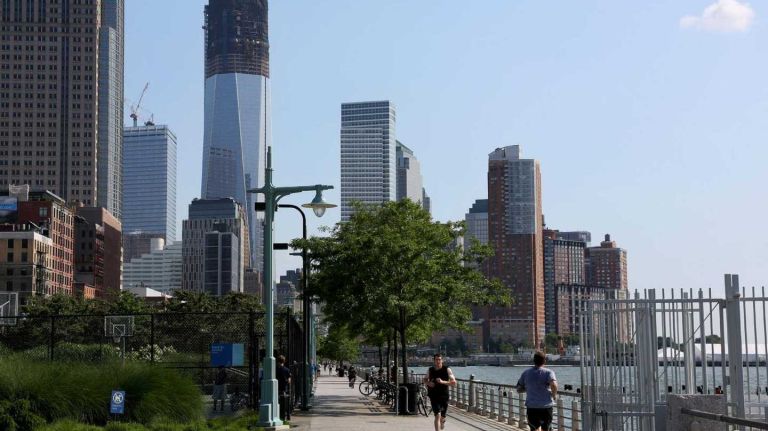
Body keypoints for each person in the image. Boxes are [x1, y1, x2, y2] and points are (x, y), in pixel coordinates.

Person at [516, 351, 558, 431]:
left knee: (534, 428)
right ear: (544, 361)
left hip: (532, 406)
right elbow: (554, 385)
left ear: (534, 361)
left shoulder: (526, 373)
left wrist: (527, 388)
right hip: (546, 406)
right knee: (546, 428)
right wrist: (554, 395)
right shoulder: (549, 372)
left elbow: (518, 388)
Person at [424, 353, 456, 431]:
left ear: (442, 360)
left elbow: (454, 383)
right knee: (437, 415)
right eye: (436, 360)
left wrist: (442, 382)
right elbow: (425, 379)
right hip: (433, 395)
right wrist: (429, 383)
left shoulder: (447, 369)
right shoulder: (430, 370)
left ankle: (442, 421)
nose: (438, 361)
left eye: (439, 359)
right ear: (434, 361)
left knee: (442, 416)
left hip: (444, 396)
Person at [276, 355, 293, 421]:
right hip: (283, 388)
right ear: (284, 361)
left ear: (277, 361)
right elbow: (289, 381)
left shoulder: (275, 369)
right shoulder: (287, 370)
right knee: (284, 402)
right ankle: (285, 416)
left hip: (276, 387)